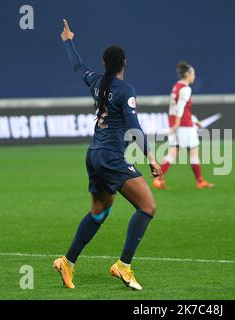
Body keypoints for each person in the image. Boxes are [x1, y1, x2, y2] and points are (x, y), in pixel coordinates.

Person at [53, 19, 162, 291]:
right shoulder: (126, 91)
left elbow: (78, 66)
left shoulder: (96, 82)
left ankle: (67, 262)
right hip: (112, 157)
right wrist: (150, 157)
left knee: (99, 213)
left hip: (94, 155)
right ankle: (123, 266)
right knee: (147, 207)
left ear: (104, 64)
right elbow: (134, 128)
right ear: (124, 63)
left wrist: (68, 41)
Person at [153, 61, 214, 189]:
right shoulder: (186, 89)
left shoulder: (176, 87)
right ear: (188, 74)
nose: (194, 76)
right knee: (194, 152)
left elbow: (176, 108)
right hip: (184, 126)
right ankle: (200, 181)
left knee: (172, 154)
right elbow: (180, 108)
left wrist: (193, 120)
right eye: (193, 74)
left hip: (179, 123)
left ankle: (158, 179)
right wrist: (177, 124)